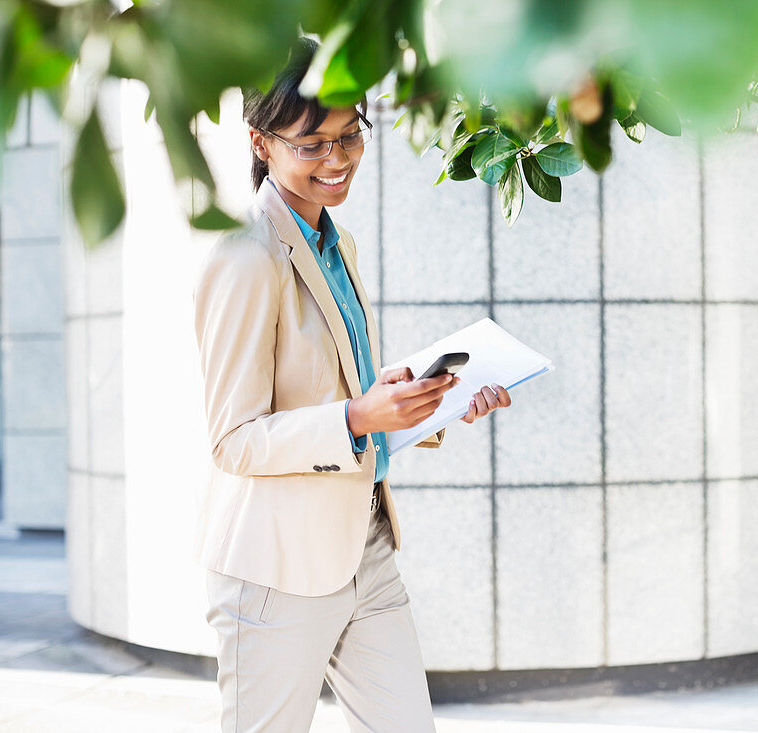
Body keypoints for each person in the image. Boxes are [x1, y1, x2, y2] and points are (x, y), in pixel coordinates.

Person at [190, 36, 512, 733]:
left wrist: (440, 401)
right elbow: (234, 439)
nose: (336, 161)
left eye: (349, 136)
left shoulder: (337, 243)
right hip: (276, 572)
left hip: (363, 544)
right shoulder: (247, 256)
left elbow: (348, 401)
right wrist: (360, 416)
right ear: (260, 142)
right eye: (312, 145)